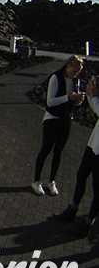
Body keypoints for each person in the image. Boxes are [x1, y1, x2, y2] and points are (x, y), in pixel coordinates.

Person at [49, 77, 99, 238]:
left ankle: (88, 223)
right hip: (94, 144)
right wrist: (91, 95)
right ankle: (73, 208)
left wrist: (95, 96)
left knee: (98, 189)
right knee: (81, 175)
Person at [31, 55, 85, 196]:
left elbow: (74, 103)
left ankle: (51, 181)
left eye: (77, 73)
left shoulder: (75, 81)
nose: (75, 75)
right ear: (68, 66)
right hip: (52, 118)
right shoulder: (56, 78)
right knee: (46, 148)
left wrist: (78, 100)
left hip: (65, 119)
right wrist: (68, 97)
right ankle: (36, 180)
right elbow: (50, 102)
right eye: (74, 71)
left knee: (58, 151)